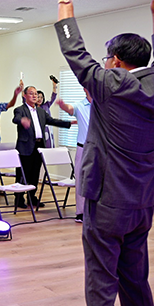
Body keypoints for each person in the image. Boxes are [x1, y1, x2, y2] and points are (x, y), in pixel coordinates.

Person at [56, 0, 154, 306]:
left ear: (118, 62)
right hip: (142, 203)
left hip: (107, 202)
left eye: (107, 58)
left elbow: (74, 53)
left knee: (101, 281)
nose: (104, 63)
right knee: (135, 278)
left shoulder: (113, 85)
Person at [12, 86, 71, 208]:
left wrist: (69, 123)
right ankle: (19, 198)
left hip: (39, 146)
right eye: (31, 94)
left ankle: (31, 197)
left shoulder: (41, 111)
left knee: (35, 173)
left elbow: (52, 121)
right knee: (23, 174)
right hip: (25, 146)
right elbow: (16, 119)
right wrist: (22, 120)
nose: (35, 96)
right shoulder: (20, 110)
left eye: (36, 94)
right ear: (25, 95)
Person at [56, 88, 92, 223]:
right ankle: (81, 212)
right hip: (83, 148)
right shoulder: (80, 105)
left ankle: (95, 212)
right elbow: (70, 109)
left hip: (99, 149)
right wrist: (63, 106)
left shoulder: (102, 104)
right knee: (81, 180)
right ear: (85, 89)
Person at [36, 78, 58, 148]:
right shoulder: (32, 108)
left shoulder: (46, 105)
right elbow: (24, 101)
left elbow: (53, 97)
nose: (39, 99)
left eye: (41, 97)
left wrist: (54, 86)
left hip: (48, 130)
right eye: (38, 97)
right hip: (38, 132)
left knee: (49, 148)